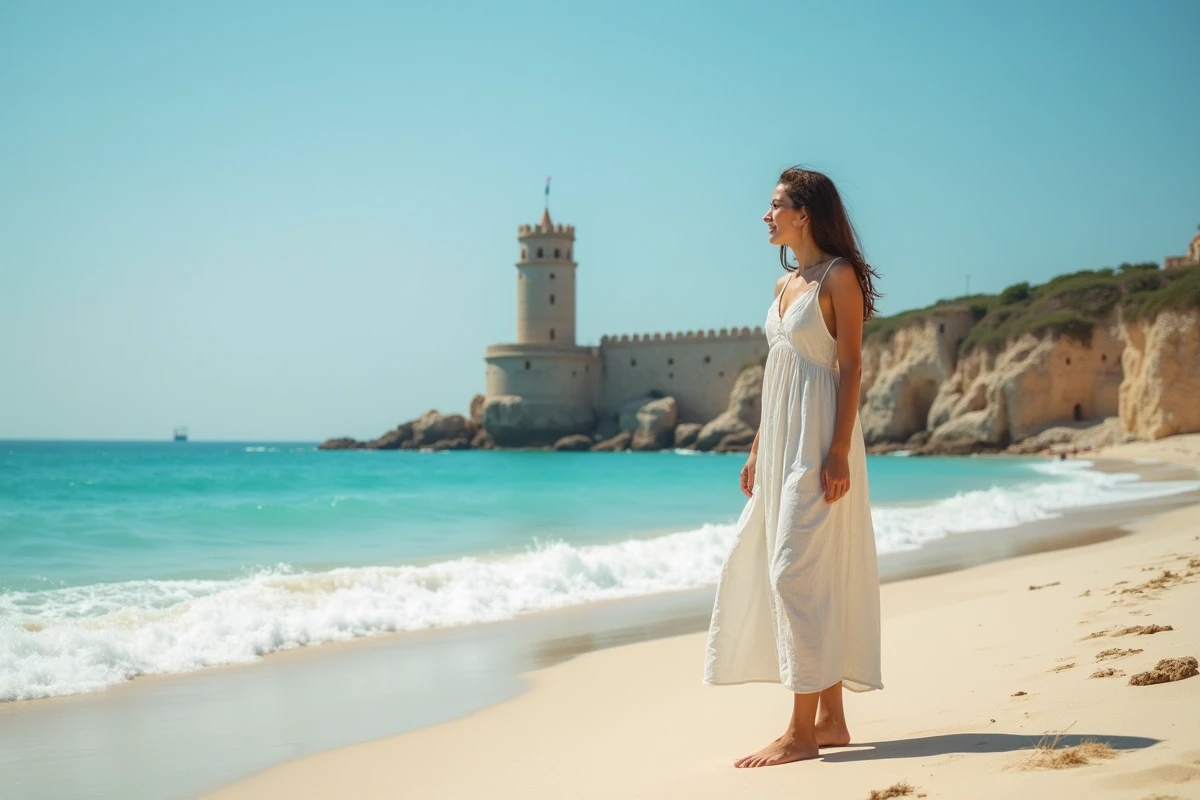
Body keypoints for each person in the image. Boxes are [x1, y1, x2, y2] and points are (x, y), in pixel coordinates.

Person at [703, 166, 883, 768]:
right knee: (803, 572)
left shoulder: (839, 277)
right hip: (781, 442)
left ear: (804, 213)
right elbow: (780, 370)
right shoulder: (785, 284)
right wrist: (758, 446)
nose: (766, 214)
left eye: (776, 204)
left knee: (792, 574)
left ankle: (800, 732)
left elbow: (851, 367)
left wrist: (837, 451)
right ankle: (831, 720)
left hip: (821, 440)